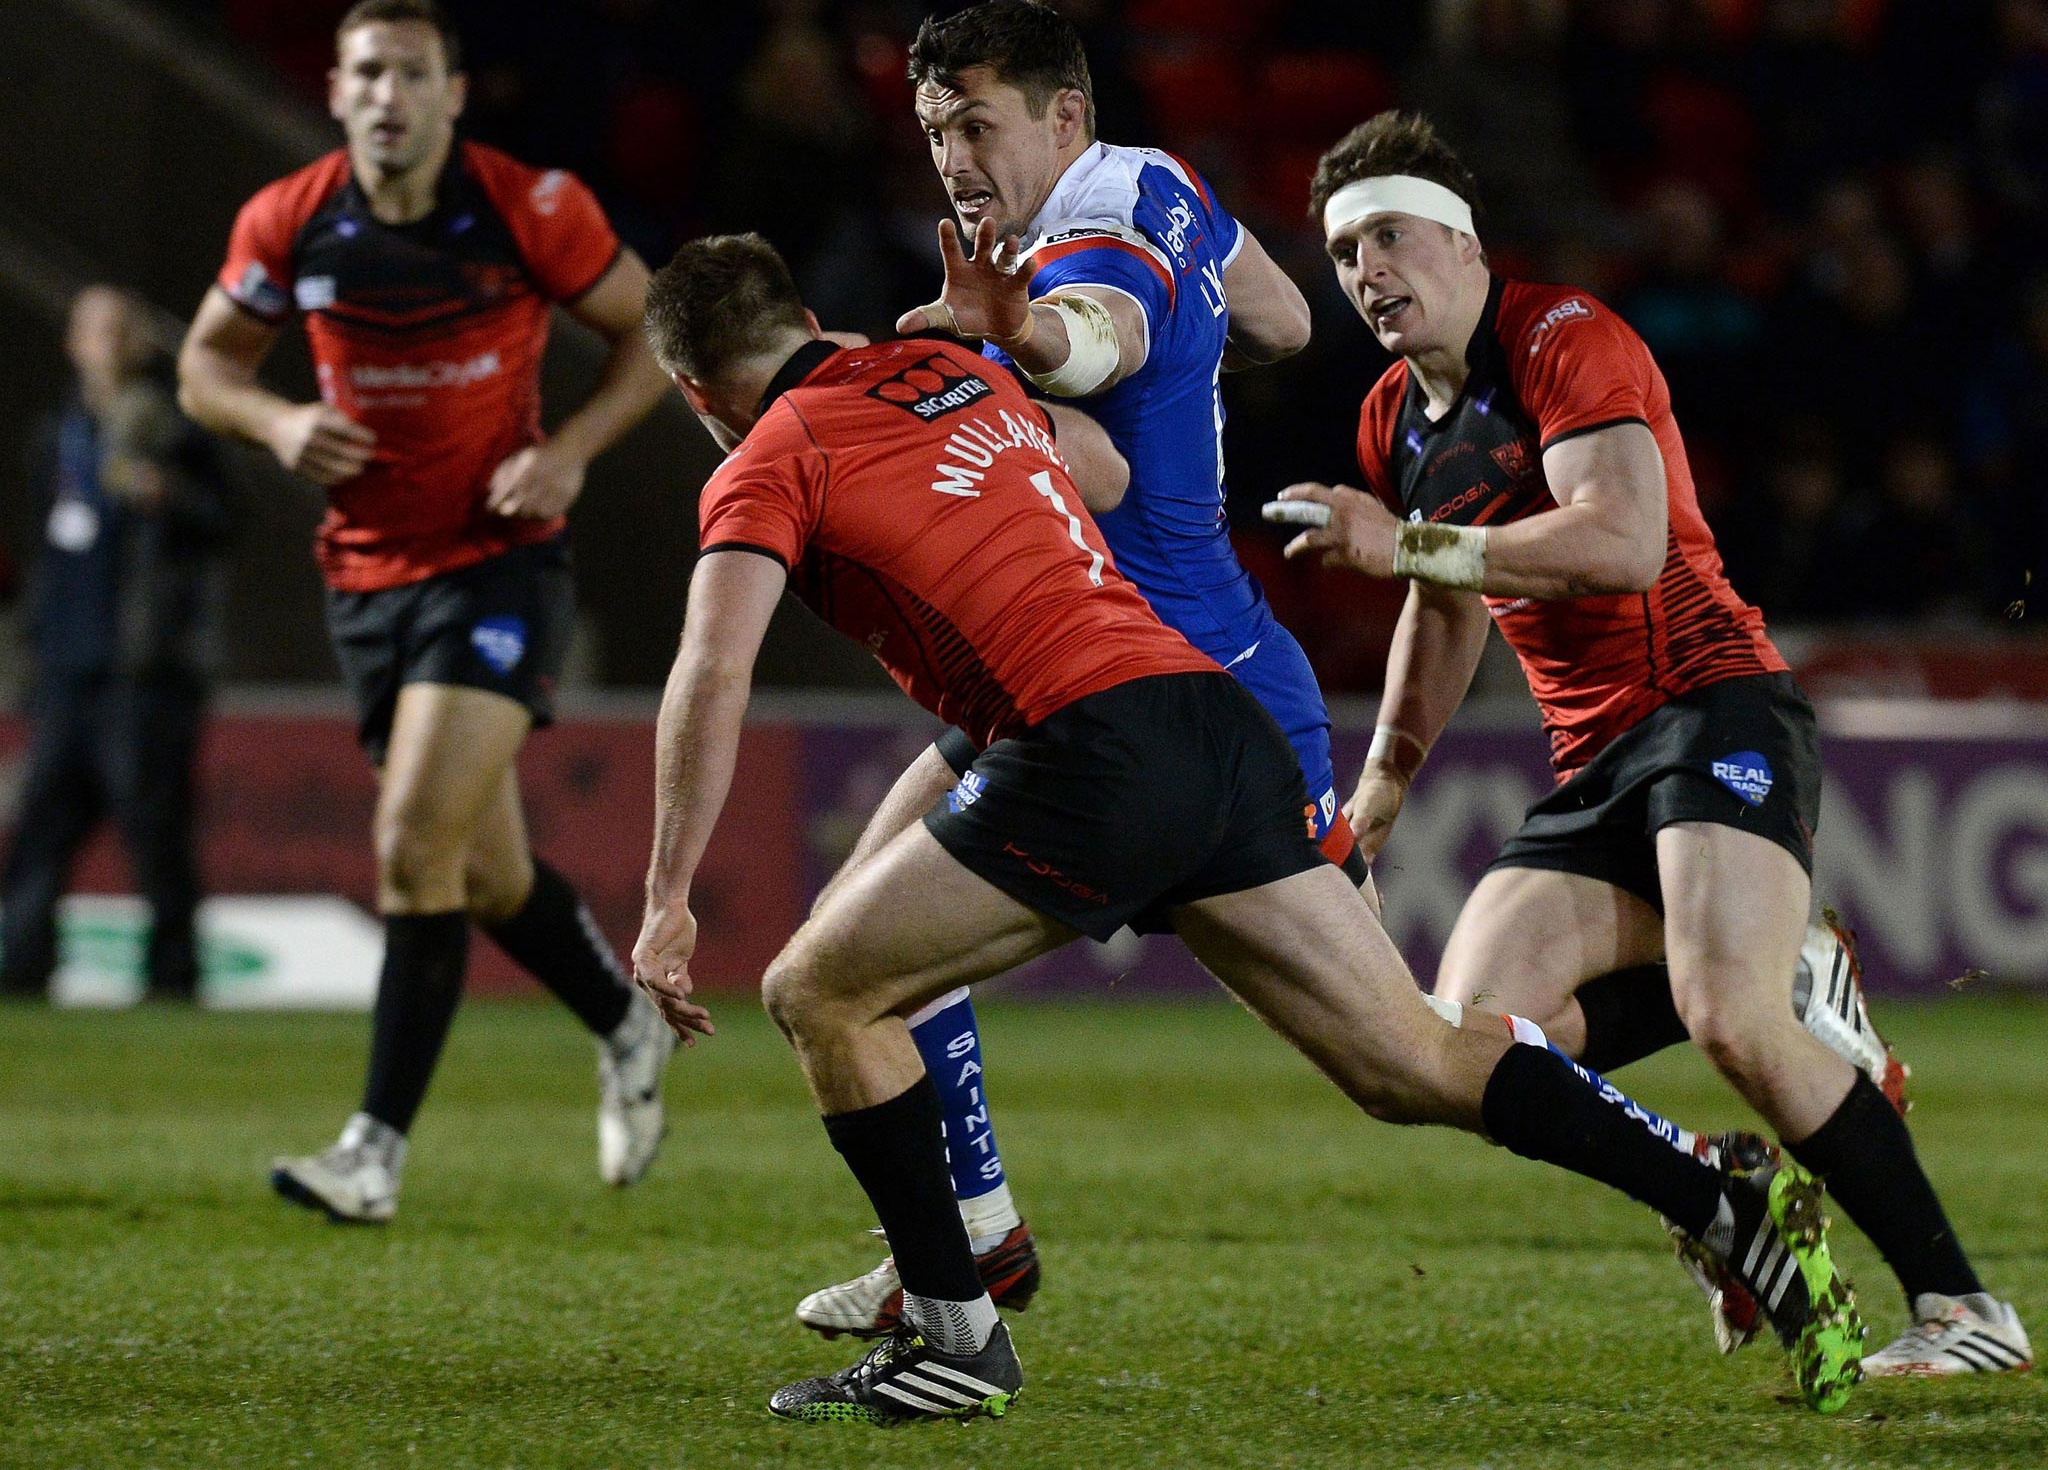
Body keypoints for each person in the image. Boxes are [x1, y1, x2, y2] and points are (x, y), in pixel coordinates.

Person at [631, 230, 1863, 1424]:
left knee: (820, 993)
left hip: (1083, 747)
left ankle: (953, 1334)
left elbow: (710, 665)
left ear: (696, 391)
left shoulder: (763, 461)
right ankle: (1719, 1197)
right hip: (1212, 723)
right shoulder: (957, 370)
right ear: (804, 321)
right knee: (1404, 1062)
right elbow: (1103, 474)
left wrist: (668, 894)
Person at [1273, 110, 2030, 1378]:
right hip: (1596, 762)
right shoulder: (1390, 420)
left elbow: (1619, 544)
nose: (1365, 273)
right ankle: (1725, 1185)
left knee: (1725, 1017)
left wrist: (1399, 541)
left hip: (1710, 701)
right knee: (1465, 1039)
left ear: (1460, 244)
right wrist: (1384, 789)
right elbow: (1444, 607)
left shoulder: (1563, 336)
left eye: (1388, 237)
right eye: (1346, 253)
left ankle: (1962, 1311)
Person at [793, 0, 1366, 1342]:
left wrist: (1028, 344)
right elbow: (1281, 319)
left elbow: (1094, 351)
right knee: (869, 937)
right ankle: (973, 1232)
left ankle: (1703, 1171)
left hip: (1179, 686)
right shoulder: (1160, 184)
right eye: (936, 131)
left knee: (1406, 1056)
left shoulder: (1076, 248)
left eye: (977, 125)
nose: (953, 159)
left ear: (1066, 115)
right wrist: (1187, 371)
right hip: (1096, 676)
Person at [176, 0, 674, 1222]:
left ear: (452, 94)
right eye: (365, 74)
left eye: (410, 74)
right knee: (490, 876)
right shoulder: (289, 221)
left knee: (409, 843)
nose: (385, 96)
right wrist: (277, 417)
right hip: (365, 575)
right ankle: (624, 1023)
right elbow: (200, 369)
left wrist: (570, 452)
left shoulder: (526, 209)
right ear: (336, 91)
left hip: (496, 563)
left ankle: (372, 1154)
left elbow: (653, 332)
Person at [1, 286, 235, 1003]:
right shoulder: (58, 434)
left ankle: (172, 980)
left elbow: (226, 522)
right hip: (70, 665)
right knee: (42, 822)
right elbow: (50, 546)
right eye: (95, 328)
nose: (107, 341)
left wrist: (170, 496)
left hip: (146, 668)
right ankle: (20, 971)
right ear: (73, 342)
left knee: (154, 828)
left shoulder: (180, 428)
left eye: (121, 329)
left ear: (141, 343)